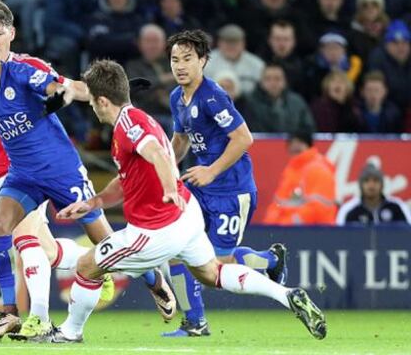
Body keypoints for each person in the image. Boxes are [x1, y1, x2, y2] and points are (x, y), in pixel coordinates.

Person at [50, 59, 326, 343]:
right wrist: (94, 202)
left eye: (93, 102)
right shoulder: (136, 118)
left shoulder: (129, 125)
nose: (92, 107)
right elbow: (126, 180)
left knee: (86, 266)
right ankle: (287, 294)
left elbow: (158, 152)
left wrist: (169, 187)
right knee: (212, 273)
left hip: (156, 229)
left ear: (103, 101)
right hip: (186, 216)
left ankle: (70, 333)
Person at [0, 29, 174, 340]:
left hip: (62, 170)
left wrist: (68, 94)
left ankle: (153, 278)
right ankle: (9, 312)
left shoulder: (19, 73)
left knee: (104, 242)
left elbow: (60, 86)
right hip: (23, 175)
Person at [164, 30, 287, 337]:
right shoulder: (177, 97)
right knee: (178, 251)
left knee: (217, 265)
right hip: (201, 189)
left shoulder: (213, 96)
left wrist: (211, 171)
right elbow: (180, 140)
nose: (180, 66)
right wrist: (162, 172)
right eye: (174, 59)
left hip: (233, 190)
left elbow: (244, 138)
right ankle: (194, 322)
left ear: (204, 61)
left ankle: (271, 260)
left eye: (188, 59)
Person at [264, 132, 337, 225]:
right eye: (291, 143)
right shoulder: (290, 171)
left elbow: (317, 209)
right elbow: (277, 204)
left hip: (314, 234)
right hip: (288, 232)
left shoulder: (318, 169)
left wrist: (285, 225)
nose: (294, 146)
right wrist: (270, 227)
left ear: (308, 145)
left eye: (299, 142)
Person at [337, 163, 411, 225]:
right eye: (366, 181)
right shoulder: (348, 210)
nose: (371, 185)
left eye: (375, 180)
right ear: (360, 185)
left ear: (381, 184)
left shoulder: (396, 206)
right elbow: (339, 236)